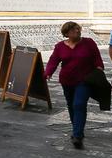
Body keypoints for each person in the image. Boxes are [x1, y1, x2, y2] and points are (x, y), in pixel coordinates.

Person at [44, 21, 104, 149]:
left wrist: (99, 68)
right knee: (71, 105)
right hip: (67, 80)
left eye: (78, 29)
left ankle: (78, 135)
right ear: (66, 33)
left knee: (79, 104)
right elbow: (53, 60)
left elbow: (97, 58)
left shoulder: (89, 43)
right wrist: (48, 73)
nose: (77, 31)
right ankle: (76, 128)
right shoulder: (60, 46)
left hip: (85, 80)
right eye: (73, 30)